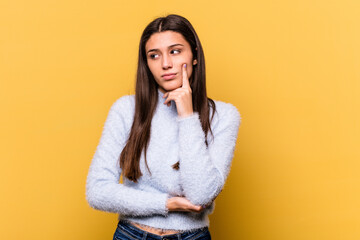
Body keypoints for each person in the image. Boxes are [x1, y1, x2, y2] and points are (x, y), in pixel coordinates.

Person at [85, 14, 241, 240]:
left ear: (195, 55)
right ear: (146, 63)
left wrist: (187, 115)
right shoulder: (127, 109)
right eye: (154, 55)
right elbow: (97, 192)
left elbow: (201, 195)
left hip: (191, 236)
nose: (165, 64)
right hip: (132, 234)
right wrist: (167, 203)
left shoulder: (224, 115)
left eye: (175, 51)